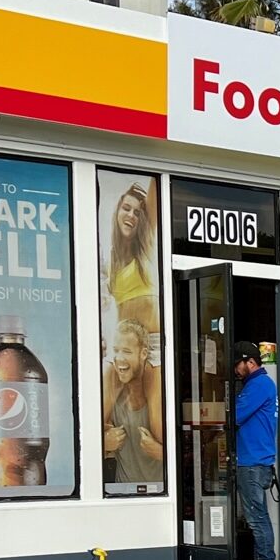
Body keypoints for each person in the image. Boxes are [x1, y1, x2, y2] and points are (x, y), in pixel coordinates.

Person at [233, 339, 280, 560]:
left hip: (252, 462)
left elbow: (235, 415)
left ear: (250, 362)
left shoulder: (259, 384)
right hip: (253, 460)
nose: (236, 370)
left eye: (238, 364)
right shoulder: (257, 384)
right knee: (255, 518)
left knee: (256, 519)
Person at [101, 320, 164, 486]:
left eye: (127, 351)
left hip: (161, 495)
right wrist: (104, 444)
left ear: (143, 353)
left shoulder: (158, 387)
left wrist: (162, 453)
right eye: (116, 350)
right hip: (124, 495)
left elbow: (188, 450)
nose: (119, 358)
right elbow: (84, 447)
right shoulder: (112, 391)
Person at [103, 181, 159, 339]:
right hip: (125, 349)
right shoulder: (110, 263)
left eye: (137, 213)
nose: (130, 215)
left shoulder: (145, 247)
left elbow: (156, 183)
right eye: (126, 208)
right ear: (117, 213)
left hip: (152, 346)